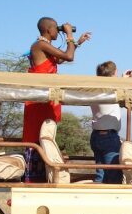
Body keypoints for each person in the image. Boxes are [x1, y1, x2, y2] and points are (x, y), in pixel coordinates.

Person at [23, 17, 91, 182]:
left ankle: (41, 180)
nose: (57, 31)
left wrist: (78, 43)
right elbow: (69, 57)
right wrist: (69, 35)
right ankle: (32, 184)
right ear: (48, 30)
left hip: (45, 101)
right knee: (38, 138)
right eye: (56, 29)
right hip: (39, 101)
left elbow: (61, 58)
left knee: (45, 137)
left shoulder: (44, 46)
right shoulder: (39, 45)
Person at [90, 61, 132, 183]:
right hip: (108, 137)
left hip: (96, 136)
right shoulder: (114, 90)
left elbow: (112, 88)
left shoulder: (93, 90)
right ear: (114, 73)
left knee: (101, 174)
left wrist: (122, 80)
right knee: (114, 176)